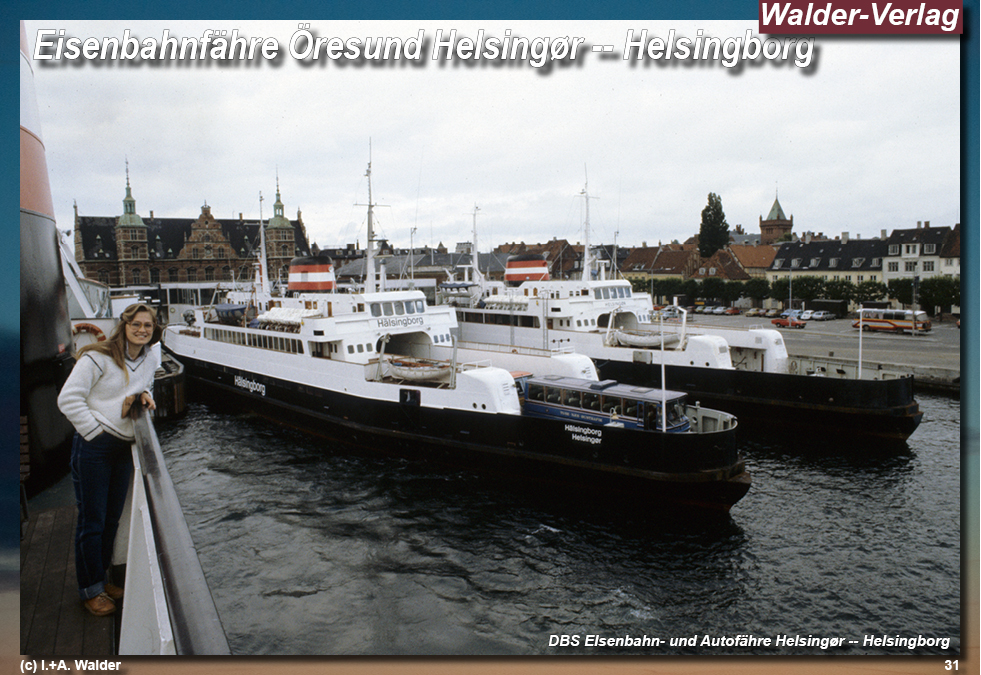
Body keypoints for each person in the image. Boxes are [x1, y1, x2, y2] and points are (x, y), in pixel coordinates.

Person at [57, 303, 161, 616]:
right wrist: (94, 432)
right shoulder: (97, 357)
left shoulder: (148, 358)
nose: (142, 330)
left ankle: (101, 580)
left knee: (111, 519)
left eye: (148, 325)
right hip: (96, 448)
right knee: (93, 520)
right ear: (124, 325)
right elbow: (68, 399)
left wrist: (142, 395)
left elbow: (141, 386)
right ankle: (90, 589)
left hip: (123, 447)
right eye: (136, 324)